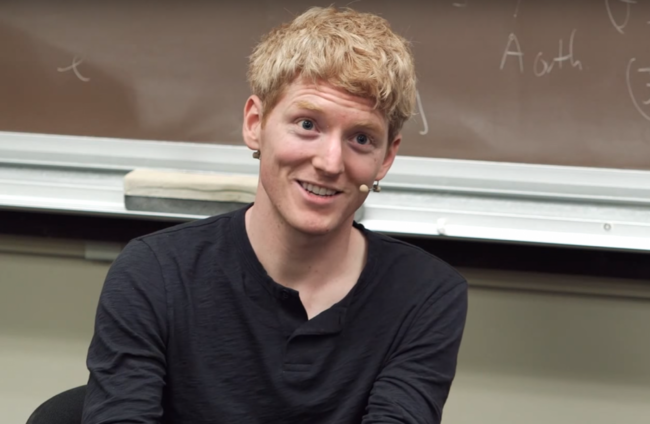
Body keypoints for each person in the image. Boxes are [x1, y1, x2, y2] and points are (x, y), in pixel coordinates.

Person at [82, 6, 467, 424]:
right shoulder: (153, 274)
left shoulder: (425, 295)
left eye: (361, 138)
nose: (330, 162)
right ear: (255, 123)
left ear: (386, 158)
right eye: (307, 124)